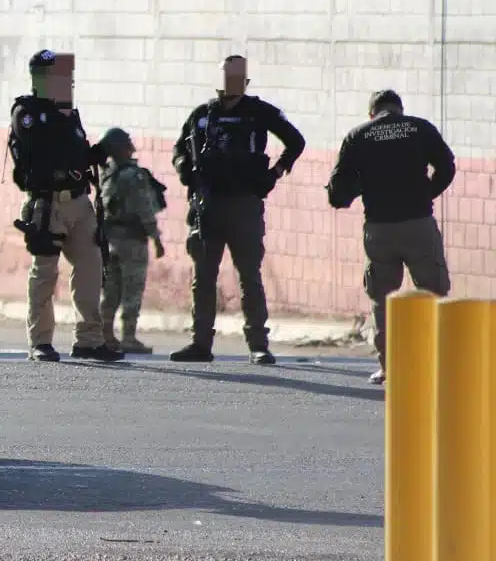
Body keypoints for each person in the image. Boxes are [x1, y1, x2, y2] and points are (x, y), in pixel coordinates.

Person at [170, 54, 306, 365]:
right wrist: (184, 168)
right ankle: (200, 343)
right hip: (208, 204)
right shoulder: (202, 115)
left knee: (249, 276)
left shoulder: (259, 113)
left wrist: (275, 172)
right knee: (203, 277)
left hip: (244, 202)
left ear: (244, 84)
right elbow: (180, 149)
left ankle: (258, 344)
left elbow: (295, 141)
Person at [326, 89, 455, 385]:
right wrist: (426, 194)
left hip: (379, 229)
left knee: (383, 301)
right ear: (399, 109)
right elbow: (447, 166)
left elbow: (337, 191)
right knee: (433, 293)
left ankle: (389, 367)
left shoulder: (358, 136)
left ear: (371, 113)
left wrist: (356, 190)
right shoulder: (419, 128)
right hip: (419, 224)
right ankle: (438, 365)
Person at [8, 49, 120, 363]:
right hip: (47, 202)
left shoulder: (70, 114)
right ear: (39, 78)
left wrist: (93, 155)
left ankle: (89, 340)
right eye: (54, 76)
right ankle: (40, 341)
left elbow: (77, 152)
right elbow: (37, 155)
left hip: (79, 202)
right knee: (44, 272)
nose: (63, 83)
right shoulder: (28, 112)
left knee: (90, 267)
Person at [98, 127, 166, 355]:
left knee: (110, 291)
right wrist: (156, 237)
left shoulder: (106, 173)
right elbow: (144, 208)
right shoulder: (133, 175)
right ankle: (128, 336)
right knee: (132, 290)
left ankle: (104, 334)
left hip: (109, 240)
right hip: (132, 242)